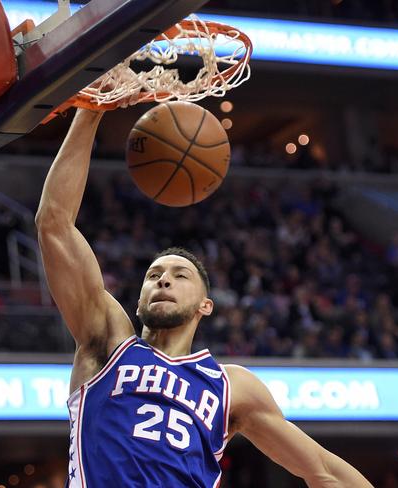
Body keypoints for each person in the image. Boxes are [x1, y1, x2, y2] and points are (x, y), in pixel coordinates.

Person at [35, 109, 374, 488]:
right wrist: (90, 115)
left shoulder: (231, 386)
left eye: (180, 276)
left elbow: (323, 471)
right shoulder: (108, 343)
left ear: (205, 306)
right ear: (139, 300)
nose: (164, 280)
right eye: (153, 275)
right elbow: (54, 224)